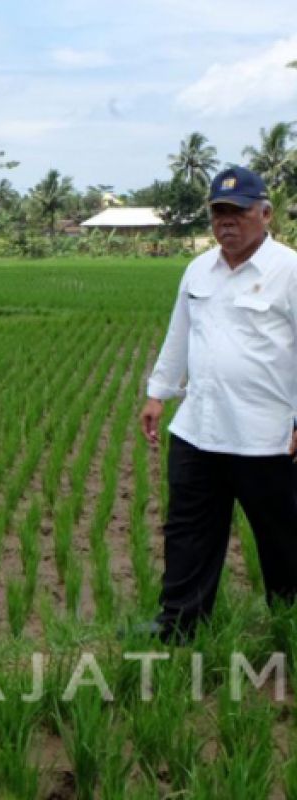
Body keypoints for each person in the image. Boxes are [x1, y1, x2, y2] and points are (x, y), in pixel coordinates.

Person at [140, 165, 297, 642]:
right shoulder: (197, 269)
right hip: (198, 428)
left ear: (265, 214)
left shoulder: (288, 270)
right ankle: (180, 625)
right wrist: (157, 392)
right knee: (188, 532)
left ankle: (288, 626)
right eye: (218, 213)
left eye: (238, 212)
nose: (226, 222)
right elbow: (179, 333)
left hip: (265, 436)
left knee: (283, 538)